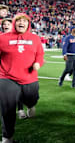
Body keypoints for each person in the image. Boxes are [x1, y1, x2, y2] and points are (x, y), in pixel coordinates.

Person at [0, 13, 44, 143]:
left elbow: (40, 54)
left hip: (30, 78)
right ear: (14, 23)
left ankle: (30, 105)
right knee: (7, 108)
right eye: (18, 20)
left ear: (28, 24)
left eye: (24, 21)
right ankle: (7, 138)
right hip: (7, 77)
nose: (21, 22)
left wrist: (38, 63)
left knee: (32, 99)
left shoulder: (35, 38)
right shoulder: (2, 38)